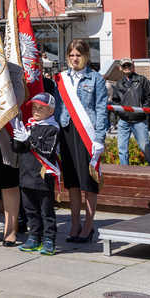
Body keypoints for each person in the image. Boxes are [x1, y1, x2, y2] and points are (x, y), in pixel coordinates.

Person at [54, 38, 108, 244]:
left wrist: (100, 139)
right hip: (67, 133)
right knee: (73, 182)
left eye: (78, 55)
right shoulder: (61, 79)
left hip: (88, 135)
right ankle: (75, 223)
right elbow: (58, 109)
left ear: (86, 56)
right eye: (71, 55)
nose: (75, 59)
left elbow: (101, 110)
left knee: (88, 182)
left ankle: (88, 225)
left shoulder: (96, 79)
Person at [12, 93, 60, 256]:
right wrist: (17, 137)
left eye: (41, 108)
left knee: (46, 210)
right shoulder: (29, 125)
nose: (36, 110)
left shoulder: (52, 128)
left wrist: (28, 139)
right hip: (26, 175)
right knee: (30, 209)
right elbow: (16, 149)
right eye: (34, 107)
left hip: (42, 177)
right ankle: (34, 236)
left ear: (51, 111)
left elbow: (46, 150)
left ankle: (49, 239)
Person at [110, 58, 150, 167]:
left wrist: (143, 112)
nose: (127, 68)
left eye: (129, 65)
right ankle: (125, 172)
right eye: (124, 66)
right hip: (124, 121)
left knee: (145, 147)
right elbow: (115, 101)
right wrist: (120, 113)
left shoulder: (141, 80)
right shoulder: (119, 83)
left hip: (139, 120)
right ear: (120, 68)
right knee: (122, 149)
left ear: (133, 66)